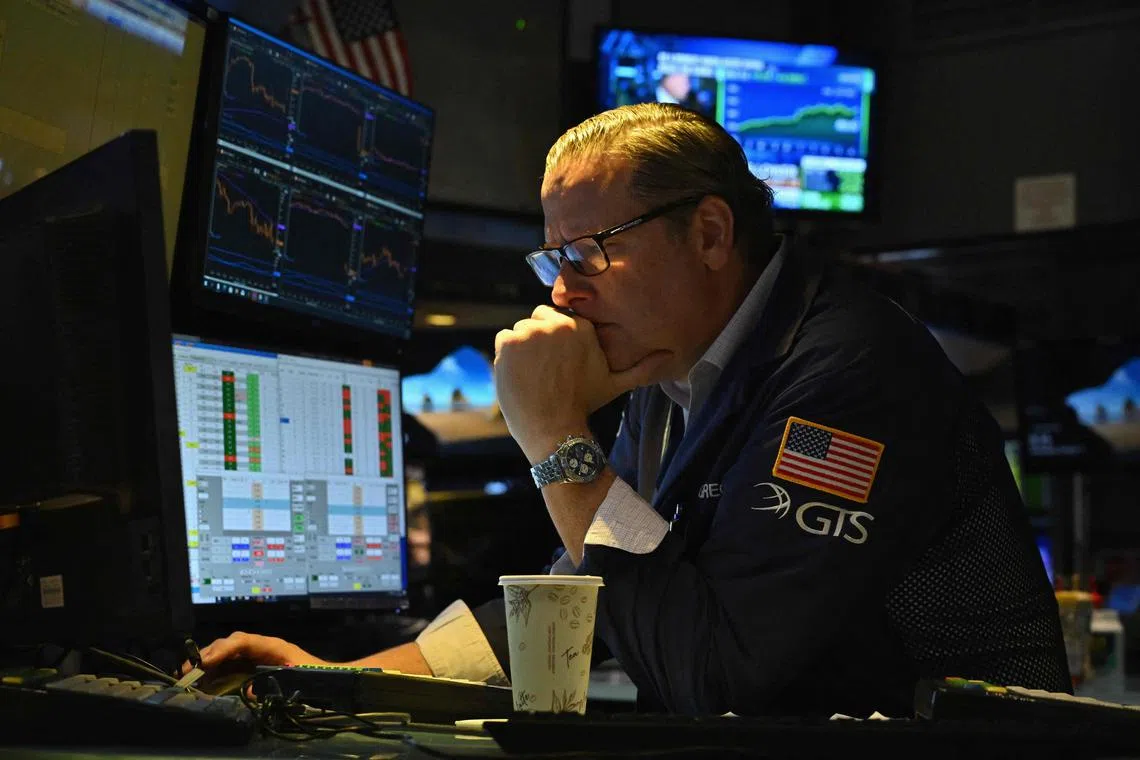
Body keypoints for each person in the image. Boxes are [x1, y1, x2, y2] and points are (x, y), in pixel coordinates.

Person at [190, 103, 1070, 717]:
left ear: (712, 234)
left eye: (589, 253)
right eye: (551, 261)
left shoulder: (851, 373)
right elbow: (585, 599)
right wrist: (341, 678)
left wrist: (555, 439)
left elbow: (720, 676)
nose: (563, 294)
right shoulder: (673, 367)